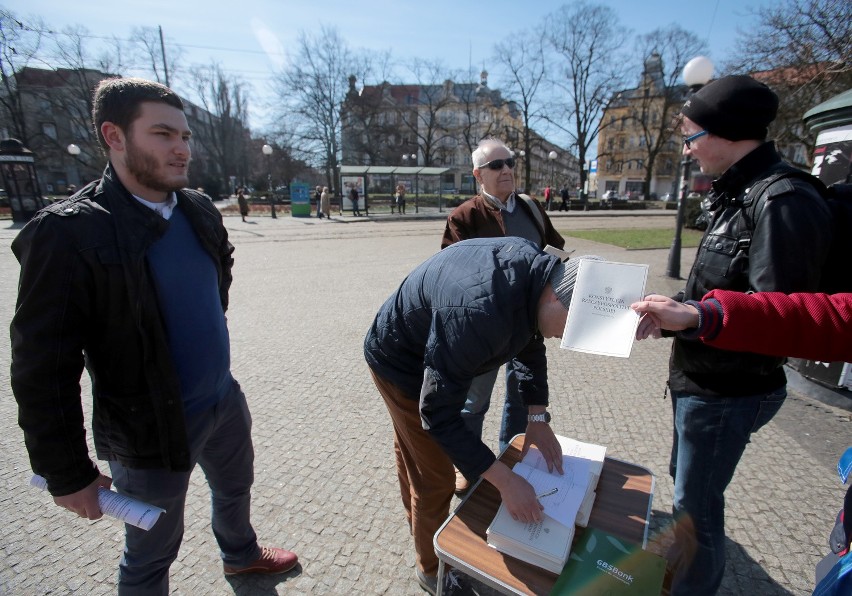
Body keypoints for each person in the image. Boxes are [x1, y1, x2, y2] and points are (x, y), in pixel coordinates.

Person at [9, 77, 298, 595]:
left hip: (222, 401)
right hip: (148, 430)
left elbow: (217, 283)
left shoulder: (199, 209)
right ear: (114, 136)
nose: (182, 148)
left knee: (235, 490)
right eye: (163, 134)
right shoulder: (70, 232)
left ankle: (241, 556)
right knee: (150, 554)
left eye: (185, 135)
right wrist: (66, 470)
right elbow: (41, 366)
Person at [650, 74, 832, 595]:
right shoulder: (740, 193)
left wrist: (695, 319)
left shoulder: (782, 200)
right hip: (701, 381)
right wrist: (675, 316)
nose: (686, 150)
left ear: (726, 133)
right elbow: (723, 293)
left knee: (697, 510)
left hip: (727, 391)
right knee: (689, 499)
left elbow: (777, 319)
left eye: (690, 136)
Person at [364, 236, 598, 595]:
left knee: (415, 449)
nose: (564, 339)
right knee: (436, 478)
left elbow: (530, 339)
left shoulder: (538, 276)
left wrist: (537, 417)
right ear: (555, 297)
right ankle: (431, 569)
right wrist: (505, 481)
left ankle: (417, 512)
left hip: (429, 344)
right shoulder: (478, 312)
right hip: (399, 362)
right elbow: (438, 413)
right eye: (570, 327)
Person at [441, 137, 565, 494]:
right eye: (496, 165)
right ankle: (468, 464)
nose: (507, 169)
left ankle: (511, 456)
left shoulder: (530, 207)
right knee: (474, 400)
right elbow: (453, 275)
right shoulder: (464, 217)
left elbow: (554, 249)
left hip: (527, 327)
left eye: (509, 162)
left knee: (521, 395)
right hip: (484, 332)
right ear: (479, 174)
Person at [631, 291, 852, 362]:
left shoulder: (780, 198)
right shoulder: (725, 198)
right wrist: (699, 314)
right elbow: (824, 318)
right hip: (694, 367)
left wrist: (699, 315)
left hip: (724, 380)